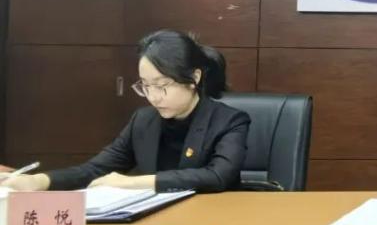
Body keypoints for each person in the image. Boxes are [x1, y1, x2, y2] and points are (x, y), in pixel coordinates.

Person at [0, 30, 250, 193]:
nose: (153, 97)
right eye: (146, 86)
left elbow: (218, 176)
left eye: (162, 85)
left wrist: (132, 183)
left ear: (194, 77)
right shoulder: (143, 121)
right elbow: (96, 169)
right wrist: (38, 181)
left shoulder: (229, 121)